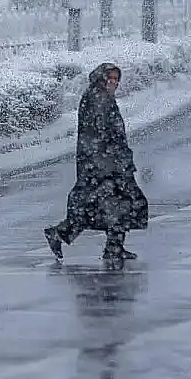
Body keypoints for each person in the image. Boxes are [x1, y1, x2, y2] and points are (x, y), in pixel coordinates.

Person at [43, 63, 148, 270]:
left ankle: (112, 246)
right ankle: (63, 234)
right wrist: (112, 160)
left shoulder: (100, 96)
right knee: (105, 204)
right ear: (102, 78)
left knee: (110, 205)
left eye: (116, 79)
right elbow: (102, 133)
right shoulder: (98, 98)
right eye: (111, 78)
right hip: (103, 165)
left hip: (107, 162)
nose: (114, 82)